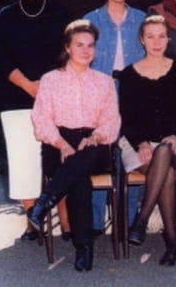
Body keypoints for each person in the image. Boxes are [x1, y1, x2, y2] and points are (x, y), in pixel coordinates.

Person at [0, 0, 70, 241]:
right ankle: (33, 223)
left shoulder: (60, 13)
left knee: (60, 159)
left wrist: (46, 89)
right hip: (16, 97)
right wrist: (27, 86)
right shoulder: (5, 17)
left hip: (56, 96)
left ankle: (67, 222)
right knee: (24, 159)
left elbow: (69, 55)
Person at [28, 20, 120, 272]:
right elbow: (41, 119)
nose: (85, 51)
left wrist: (96, 137)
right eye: (79, 45)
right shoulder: (50, 80)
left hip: (94, 145)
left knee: (83, 159)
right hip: (58, 144)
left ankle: (44, 203)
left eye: (90, 45)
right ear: (67, 48)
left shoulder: (104, 82)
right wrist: (62, 144)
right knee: (78, 176)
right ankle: (84, 247)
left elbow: (111, 121)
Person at [120, 15, 176, 266]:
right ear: (142, 39)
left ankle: (142, 219)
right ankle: (172, 244)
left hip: (175, 142)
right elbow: (127, 117)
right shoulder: (129, 75)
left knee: (164, 151)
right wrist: (140, 142)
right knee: (165, 171)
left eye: (161, 36)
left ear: (168, 39)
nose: (156, 42)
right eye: (150, 36)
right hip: (137, 144)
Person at [84, 0, 146, 234]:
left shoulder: (142, 19)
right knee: (100, 154)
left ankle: (128, 220)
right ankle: (96, 221)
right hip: (100, 93)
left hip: (133, 93)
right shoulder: (91, 20)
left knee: (131, 152)